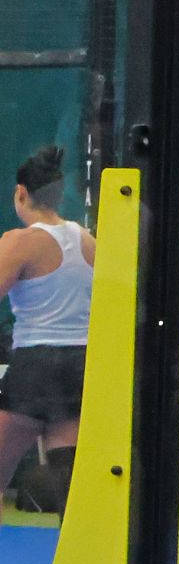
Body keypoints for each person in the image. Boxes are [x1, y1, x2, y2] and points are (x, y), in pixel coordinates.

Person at [0, 145, 94, 527]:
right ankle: (82, 557)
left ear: (20, 194)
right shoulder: (89, 241)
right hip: (80, 367)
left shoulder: (19, 241)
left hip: (36, 366)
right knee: (70, 483)